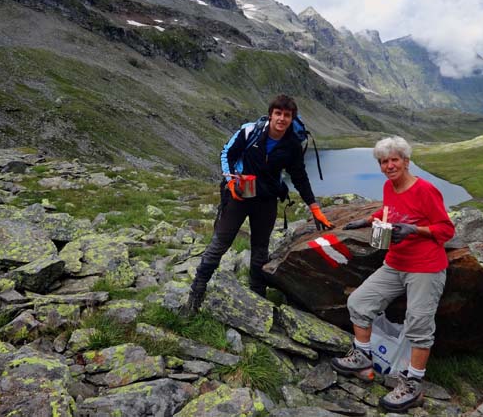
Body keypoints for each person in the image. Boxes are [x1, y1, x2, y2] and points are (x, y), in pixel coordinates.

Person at [330, 136, 455, 412]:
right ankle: (363, 356)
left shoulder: (426, 190)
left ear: (406, 161)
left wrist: (417, 230)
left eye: (394, 160)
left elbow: (446, 229)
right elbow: (390, 212)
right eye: (384, 161)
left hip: (425, 268)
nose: (389, 166)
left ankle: (413, 384)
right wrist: (368, 220)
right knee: (359, 303)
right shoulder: (389, 187)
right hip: (395, 263)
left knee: (418, 325)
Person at [181, 94, 334, 315]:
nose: (282, 119)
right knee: (219, 244)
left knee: (260, 250)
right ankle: (196, 294)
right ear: (271, 114)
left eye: (287, 115)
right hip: (239, 196)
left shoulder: (292, 145)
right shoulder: (250, 132)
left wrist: (314, 207)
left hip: (267, 200)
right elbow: (227, 153)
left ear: (292, 119)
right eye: (278, 113)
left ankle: (256, 299)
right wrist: (231, 181)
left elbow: (299, 177)